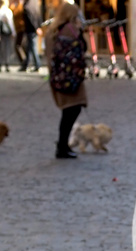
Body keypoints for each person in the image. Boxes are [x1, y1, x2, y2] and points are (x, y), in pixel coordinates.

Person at [46, 1, 88, 158]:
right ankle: (62, 145)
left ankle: (62, 145)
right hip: (72, 78)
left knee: (68, 111)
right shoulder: (71, 29)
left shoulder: (52, 31)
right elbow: (83, 47)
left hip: (58, 77)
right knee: (72, 110)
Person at [16, 0, 42, 70]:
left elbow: (31, 18)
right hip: (33, 29)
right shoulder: (35, 3)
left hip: (31, 29)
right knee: (30, 47)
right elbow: (38, 15)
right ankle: (27, 64)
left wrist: (36, 27)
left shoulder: (27, 6)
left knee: (32, 47)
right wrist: (39, 27)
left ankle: (37, 64)